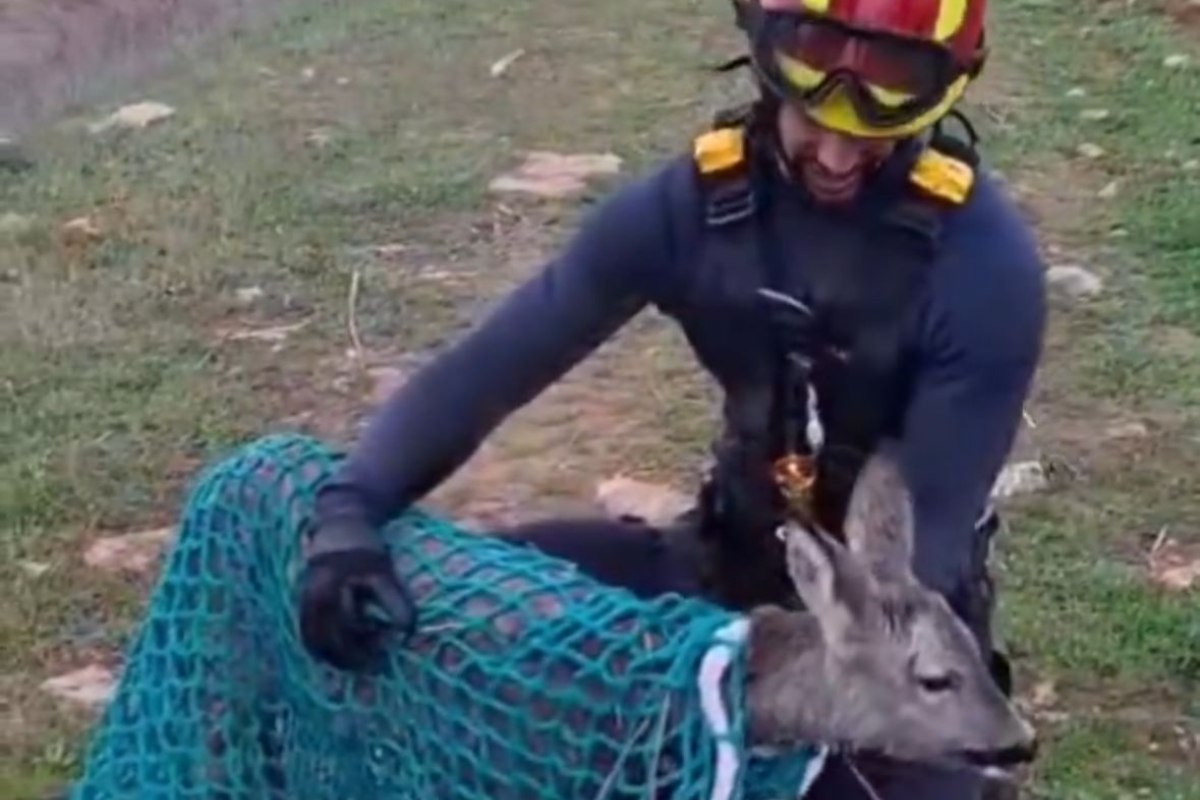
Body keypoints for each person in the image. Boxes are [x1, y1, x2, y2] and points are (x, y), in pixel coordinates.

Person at [297, 0, 1046, 795]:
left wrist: (749, 684)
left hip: (889, 654)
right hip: (718, 574)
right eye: (809, 109)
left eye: (875, 121)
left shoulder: (982, 271)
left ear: (941, 91)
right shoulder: (692, 209)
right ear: (764, 58)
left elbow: (920, 549)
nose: (834, 151)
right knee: (452, 605)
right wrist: (348, 511)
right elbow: (493, 365)